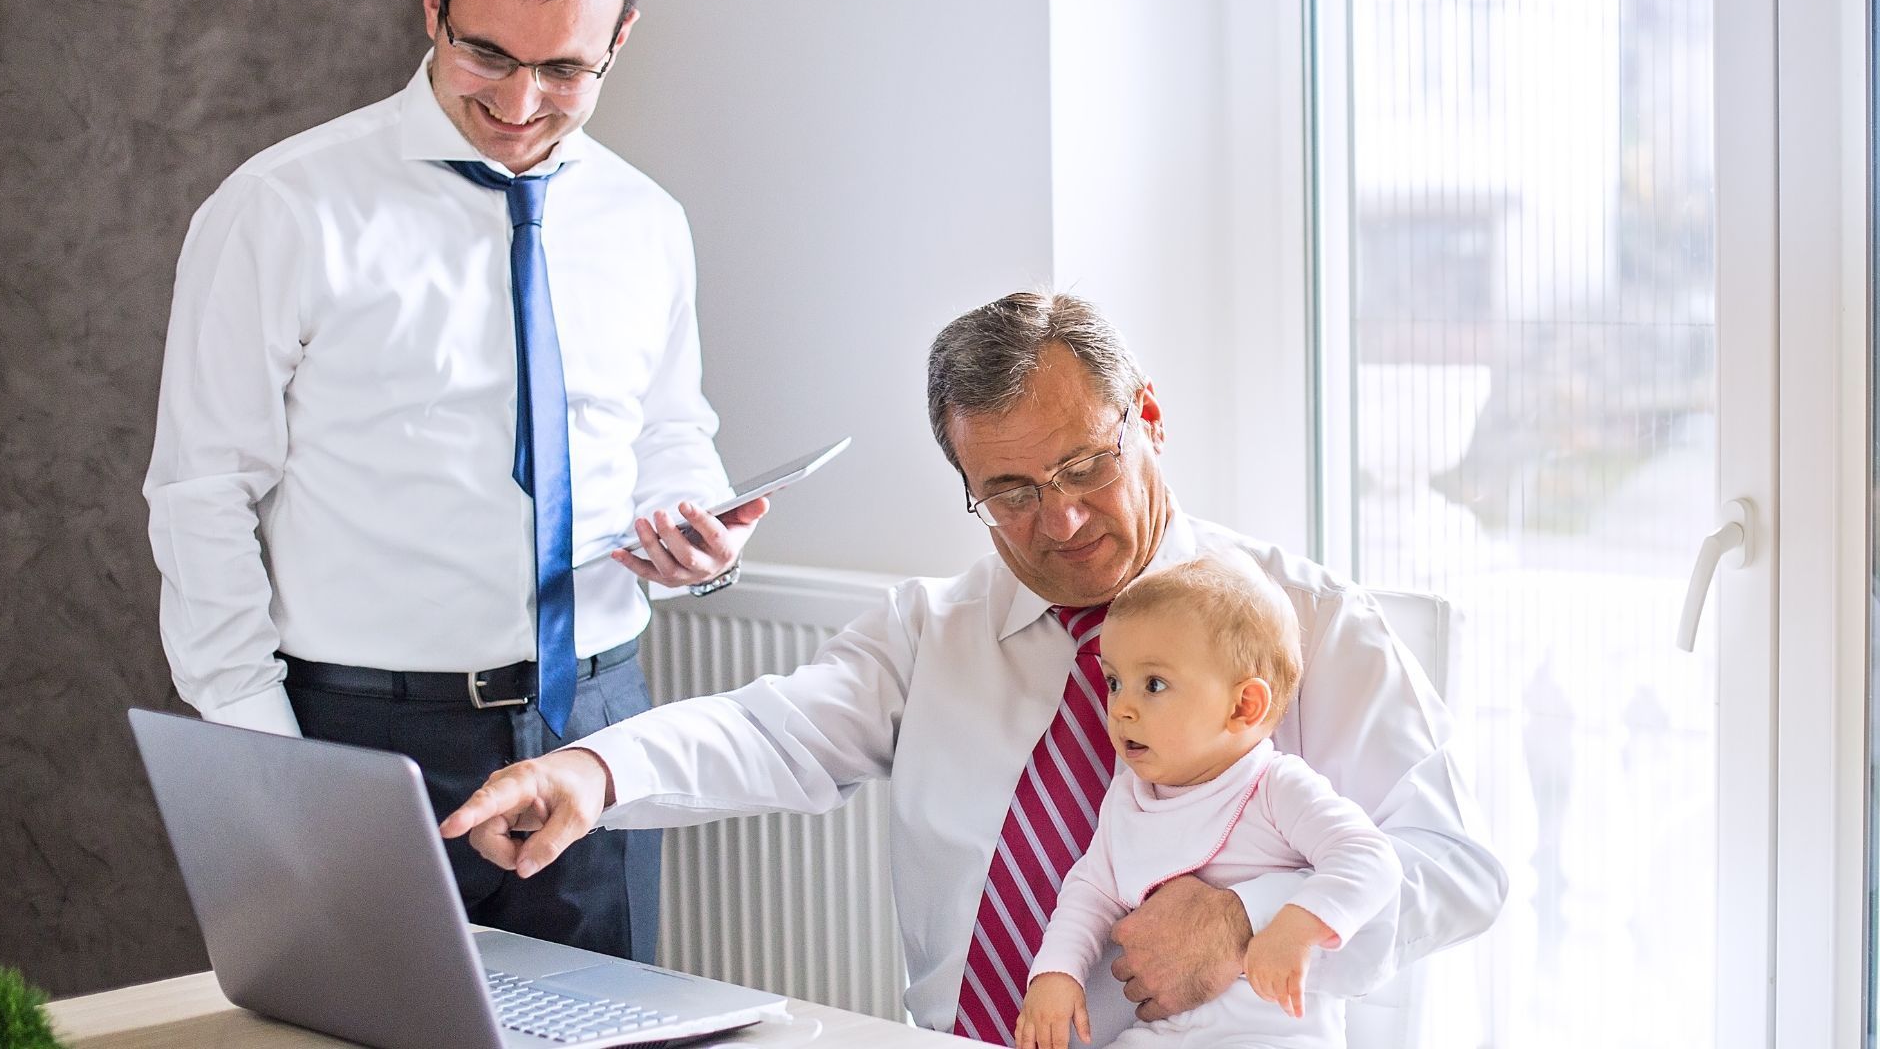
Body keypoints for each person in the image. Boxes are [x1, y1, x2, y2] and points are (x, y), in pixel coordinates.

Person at [440, 291, 1508, 1043]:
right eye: (1011, 492)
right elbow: (775, 728)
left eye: (1085, 465)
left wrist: (1246, 922)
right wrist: (593, 773)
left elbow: (1457, 867)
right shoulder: (935, 628)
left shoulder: (1307, 620)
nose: (1064, 520)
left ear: (1148, 417)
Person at [141, 0, 763, 963]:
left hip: (597, 732)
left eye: (564, 69)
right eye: (487, 54)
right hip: (362, 738)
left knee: (619, 1025)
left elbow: (667, 431)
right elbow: (201, 494)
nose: (519, 103)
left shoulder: (647, 220)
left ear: (621, 39)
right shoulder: (280, 208)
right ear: (433, 2)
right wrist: (268, 753)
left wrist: (695, 529)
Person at [1015, 554, 1401, 1049]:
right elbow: (1091, 889)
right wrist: (1056, 972)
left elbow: (1369, 856)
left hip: (1270, 1036)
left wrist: (1298, 922)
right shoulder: (1129, 797)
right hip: (1163, 1032)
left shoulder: (1274, 785)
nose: (1122, 707)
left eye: (1154, 684)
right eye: (1114, 682)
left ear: (1243, 706)